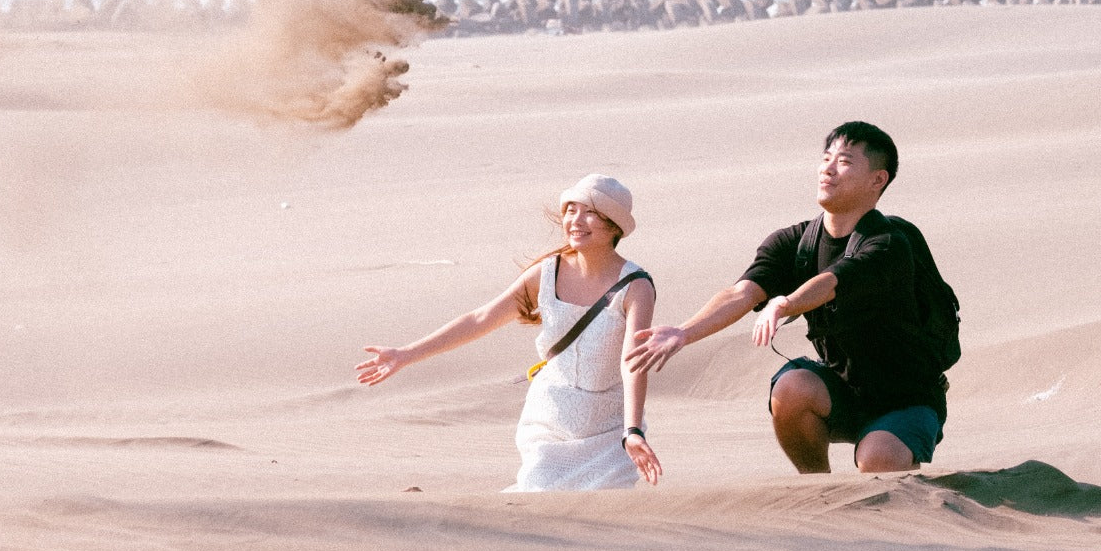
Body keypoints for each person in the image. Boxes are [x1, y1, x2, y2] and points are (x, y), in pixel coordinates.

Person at [625, 122, 948, 473]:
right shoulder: (795, 243)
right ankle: (819, 490)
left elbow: (834, 281)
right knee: (791, 387)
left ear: (877, 179)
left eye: (845, 161)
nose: (827, 168)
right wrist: (684, 332)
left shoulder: (888, 243)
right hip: (842, 390)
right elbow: (742, 293)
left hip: (907, 400)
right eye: (825, 158)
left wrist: (787, 303)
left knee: (878, 460)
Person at [356, 174, 663, 490]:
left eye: (590, 212)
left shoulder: (636, 286)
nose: (576, 220)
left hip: (608, 430)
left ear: (614, 225)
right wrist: (405, 354)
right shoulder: (547, 274)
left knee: (602, 514)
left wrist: (632, 431)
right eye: (571, 210)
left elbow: (632, 362)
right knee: (539, 494)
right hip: (550, 422)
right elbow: (480, 319)